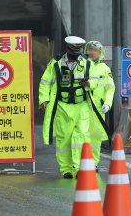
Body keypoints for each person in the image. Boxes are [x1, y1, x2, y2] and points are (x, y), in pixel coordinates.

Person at [39, 36, 93, 178]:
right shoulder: (56, 63)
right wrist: (43, 99)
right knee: (64, 139)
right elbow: (45, 81)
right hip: (62, 107)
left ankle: (79, 168)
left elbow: (98, 80)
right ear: (68, 49)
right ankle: (66, 169)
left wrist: (90, 84)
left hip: (81, 106)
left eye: (78, 52)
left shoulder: (87, 63)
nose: (77, 55)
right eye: (74, 52)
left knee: (81, 135)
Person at [84, 41, 114, 167]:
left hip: (98, 109)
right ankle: (82, 162)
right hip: (83, 107)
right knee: (82, 135)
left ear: (100, 53)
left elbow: (110, 88)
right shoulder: (81, 66)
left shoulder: (105, 69)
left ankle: (93, 163)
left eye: (95, 50)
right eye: (90, 49)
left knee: (95, 138)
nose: (92, 52)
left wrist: (107, 104)